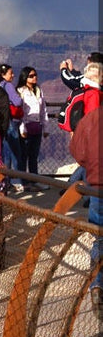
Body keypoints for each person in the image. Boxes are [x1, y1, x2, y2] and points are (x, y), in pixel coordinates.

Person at [67, 103, 102, 304]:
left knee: (99, 239)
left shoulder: (91, 118)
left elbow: (78, 152)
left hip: (97, 187)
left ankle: (97, 284)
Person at [0, 63, 24, 188]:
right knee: (15, 152)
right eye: (11, 73)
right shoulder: (8, 86)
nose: (13, 75)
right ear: (3, 75)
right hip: (11, 122)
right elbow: (17, 101)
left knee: (5, 153)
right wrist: (20, 98)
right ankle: (17, 181)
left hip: (1, 122)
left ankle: (5, 180)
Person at [15, 66, 45, 178]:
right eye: (31, 76)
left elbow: (43, 110)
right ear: (25, 77)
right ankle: (23, 180)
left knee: (34, 156)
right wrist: (22, 128)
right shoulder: (20, 91)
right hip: (26, 127)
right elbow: (20, 112)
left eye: (35, 75)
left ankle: (34, 179)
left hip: (37, 127)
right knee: (23, 155)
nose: (34, 78)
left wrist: (45, 126)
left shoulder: (39, 90)